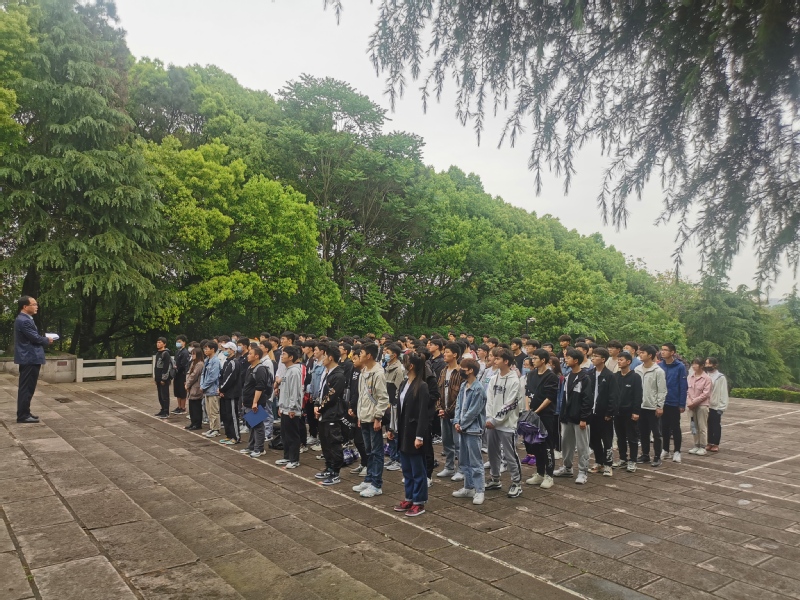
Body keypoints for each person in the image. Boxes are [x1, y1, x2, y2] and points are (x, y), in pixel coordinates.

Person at [390, 352, 431, 517]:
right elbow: (398, 408)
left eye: (405, 362)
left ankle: (419, 502)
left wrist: (419, 436)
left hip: (414, 433)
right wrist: (392, 429)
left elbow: (423, 413)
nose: (403, 364)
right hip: (403, 431)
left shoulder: (422, 386)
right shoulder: (404, 383)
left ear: (411, 366)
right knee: (406, 468)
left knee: (417, 470)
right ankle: (409, 497)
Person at [485, 347, 524, 498]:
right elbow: (489, 400)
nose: (494, 360)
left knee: (510, 454)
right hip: (491, 423)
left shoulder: (514, 380)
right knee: (492, 452)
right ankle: (495, 479)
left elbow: (510, 404)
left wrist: (496, 420)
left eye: (497, 358)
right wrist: (489, 418)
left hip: (507, 424)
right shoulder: (494, 378)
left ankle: (516, 483)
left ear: (506, 361)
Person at [353, 343, 390, 498]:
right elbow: (362, 395)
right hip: (364, 416)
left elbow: (383, 398)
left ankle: (376, 484)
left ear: (369, 355)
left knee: (376, 452)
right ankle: (368, 479)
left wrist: (378, 417)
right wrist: (360, 415)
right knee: (368, 450)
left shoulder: (378, 373)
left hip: (373, 417)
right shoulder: (363, 371)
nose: (359, 355)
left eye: (361, 353)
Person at [554, 348, 593, 484]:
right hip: (567, 417)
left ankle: (583, 471)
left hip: (580, 418)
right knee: (566, 444)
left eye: (568, 358)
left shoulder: (585, 378)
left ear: (576, 360)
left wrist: (584, 418)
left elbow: (587, 399)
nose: (566, 360)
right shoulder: (567, 376)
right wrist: (562, 415)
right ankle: (567, 467)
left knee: (582, 446)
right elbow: (563, 398)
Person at [452, 358, 487, 504]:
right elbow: (458, 405)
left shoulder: (478, 389)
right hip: (462, 428)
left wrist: (462, 424)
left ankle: (479, 490)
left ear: (471, 370)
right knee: (464, 460)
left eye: (463, 368)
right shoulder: (463, 385)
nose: (461, 370)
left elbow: (474, 411)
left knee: (475, 461)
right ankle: (468, 487)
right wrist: (456, 421)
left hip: (472, 429)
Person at [13, 296, 52, 423]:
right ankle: (23, 415)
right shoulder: (24, 320)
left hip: (28, 357)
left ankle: (25, 412)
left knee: (28, 387)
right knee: (27, 387)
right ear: (25, 307)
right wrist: (47, 340)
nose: (36, 306)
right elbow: (35, 338)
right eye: (34, 304)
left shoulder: (25, 319)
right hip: (29, 357)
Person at [524, 349, 558, 489]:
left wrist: (537, 411)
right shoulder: (531, 374)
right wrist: (528, 410)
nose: (533, 360)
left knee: (547, 445)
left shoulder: (551, 377)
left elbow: (550, 397)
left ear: (543, 360)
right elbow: (527, 393)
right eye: (532, 358)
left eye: (535, 358)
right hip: (532, 414)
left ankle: (549, 475)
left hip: (546, 415)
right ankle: (539, 473)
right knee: (536, 444)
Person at [313, 343, 347, 485]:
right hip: (324, 413)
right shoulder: (327, 372)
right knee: (325, 442)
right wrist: (316, 405)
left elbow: (331, 397)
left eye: (325, 356)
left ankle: (335, 472)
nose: (323, 359)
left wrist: (320, 408)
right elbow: (321, 392)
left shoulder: (338, 375)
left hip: (332, 414)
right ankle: (328, 467)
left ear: (331, 357)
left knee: (334, 443)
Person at [588, 347, 619, 476]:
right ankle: (599, 462)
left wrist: (609, 412)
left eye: (596, 356)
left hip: (604, 413)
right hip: (591, 412)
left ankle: (608, 464)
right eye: (593, 356)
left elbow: (613, 396)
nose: (593, 358)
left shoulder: (610, 375)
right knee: (593, 439)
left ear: (603, 359)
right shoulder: (589, 374)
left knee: (607, 440)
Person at [240, 346, 274, 458]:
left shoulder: (260, 369)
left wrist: (255, 402)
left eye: (250, 354)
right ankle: (251, 446)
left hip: (256, 403)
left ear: (256, 356)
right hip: (248, 402)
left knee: (258, 426)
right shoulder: (250, 367)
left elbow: (260, 387)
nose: (248, 355)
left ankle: (259, 448)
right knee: (251, 425)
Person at [635, 345, 667, 467]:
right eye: (640, 352)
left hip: (653, 407)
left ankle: (657, 456)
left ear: (650, 355)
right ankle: (645, 454)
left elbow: (662, 390)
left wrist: (659, 406)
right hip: (640, 406)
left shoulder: (658, 371)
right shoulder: (637, 369)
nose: (640, 354)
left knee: (656, 433)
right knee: (643, 432)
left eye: (643, 352)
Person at [436, 343, 464, 480]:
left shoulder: (460, 372)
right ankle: (449, 467)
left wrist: (448, 411)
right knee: (446, 442)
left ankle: (462, 469)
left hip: (456, 414)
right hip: (444, 412)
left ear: (455, 354)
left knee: (458, 443)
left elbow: (461, 396)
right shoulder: (443, 371)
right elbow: (438, 391)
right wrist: (439, 408)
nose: (444, 354)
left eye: (447, 352)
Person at [612, 351, 643, 472]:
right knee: (620, 437)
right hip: (617, 412)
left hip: (630, 413)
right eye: (618, 360)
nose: (619, 362)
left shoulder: (635, 377)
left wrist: (636, 412)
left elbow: (638, 396)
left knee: (632, 437)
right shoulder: (616, 376)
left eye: (621, 360)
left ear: (628, 362)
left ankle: (633, 460)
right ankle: (623, 458)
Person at [659, 342, 688, 463]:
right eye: (662, 349)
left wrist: (682, 404)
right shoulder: (660, 366)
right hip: (662, 401)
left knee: (675, 427)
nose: (662, 352)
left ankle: (677, 451)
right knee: (663, 427)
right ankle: (665, 449)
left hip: (674, 401)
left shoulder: (680, 367)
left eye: (665, 350)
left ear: (672, 352)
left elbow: (683, 386)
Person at [276, 345, 303, 469]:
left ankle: (294, 459)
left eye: (284, 354)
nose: (281, 356)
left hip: (291, 409)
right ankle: (287, 456)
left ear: (291, 357)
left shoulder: (295, 371)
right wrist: (281, 406)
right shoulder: (287, 370)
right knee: (285, 434)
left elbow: (295, 391)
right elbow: (284, 390)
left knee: (292, 435)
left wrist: (293, 408)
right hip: (284, 408)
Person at [384, 343, 406, 472]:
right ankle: (392, 457)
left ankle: (398, 459)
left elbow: (399, 389)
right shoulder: (387, 367)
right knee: (389, 432)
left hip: (394, 405)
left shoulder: (399, 369)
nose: (385, 354)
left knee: (396, 432)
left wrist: (395, 404)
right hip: (386, 405)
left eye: (387, 352)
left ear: (394, 355)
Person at [686, 358, 712, 456]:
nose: (694, 366)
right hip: (691, 406)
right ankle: (696, 444)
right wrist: (689, 402)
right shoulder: (690, 377)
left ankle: (703, 446)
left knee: (702, 426)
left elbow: (705, 394)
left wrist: (694, 402)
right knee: (693, 426)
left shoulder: (707, 378)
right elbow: (687, 391)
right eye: (693, 364)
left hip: (702, 406)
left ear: (702, 366)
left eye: (696, 364)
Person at [218, 341, 241, 445]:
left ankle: (236, 437)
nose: (225, 350)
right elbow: (222, 376)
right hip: (225, 393)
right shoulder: (226, 362)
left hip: (231, 393)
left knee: (232, 416)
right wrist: (220, 389)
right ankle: (229, 435)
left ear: (232, 350)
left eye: (227, 349)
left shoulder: (234, 362)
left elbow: (230, 379)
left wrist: (222, 389)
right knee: (226, 415)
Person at [706, 357, 728, 452]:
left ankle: (716, 443)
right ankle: (709, 442)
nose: (707, 365)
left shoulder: (720, 377)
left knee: (716, 425)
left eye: (709, 363)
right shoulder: (705, 375)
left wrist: (722, 407)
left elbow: (723, 393)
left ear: (715, 365)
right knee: (708, 424)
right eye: (706, 363)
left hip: (716, 405)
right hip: (706, 404)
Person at [184, 347, 205, 430]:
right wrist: (187, 383)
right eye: (192, 354)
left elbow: (194, 375)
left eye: (194, 354)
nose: (192, 355)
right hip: (191, 387)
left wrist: (187, 384)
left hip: (196, 387)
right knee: (192, 406)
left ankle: (197, 424)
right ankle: (193, 423)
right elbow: (189, 373)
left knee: (196, 407)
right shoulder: (193, 363)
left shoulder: (200, 364)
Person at [153, 337, 173, 419]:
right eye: (157, 342)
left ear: (164, 344)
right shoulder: (158, 353)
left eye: (160, 342)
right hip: (158, 378)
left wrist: (163, 378)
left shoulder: (166, 353)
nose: (158, 344)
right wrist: (156, 378)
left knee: (165, 395)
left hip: (164, 378)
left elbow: (166, 367)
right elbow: (156, 367)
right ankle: (162, 409)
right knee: (160, 395)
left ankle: (166, 411)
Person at [172, 335, 190, 414]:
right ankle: (179, 406)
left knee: (182, 391)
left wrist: (177, 368)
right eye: (177, 342)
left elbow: (183, 365)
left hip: (182, 374)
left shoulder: (185, 352)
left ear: (184, 343)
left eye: (179, 342)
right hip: (176, 374)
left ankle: (183, 407)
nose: (178, 343)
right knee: (177, 391)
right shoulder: (177, 352)